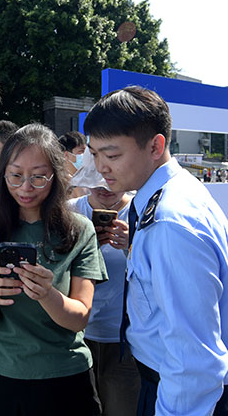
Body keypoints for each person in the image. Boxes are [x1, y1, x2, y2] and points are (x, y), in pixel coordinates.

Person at [85, 86, 228, 416]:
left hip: (188, 396)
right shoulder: (167, 195)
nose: (101, 167)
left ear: (155, 145)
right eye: (94, 154)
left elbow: (192, 360)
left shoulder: (169, 222)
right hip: (194, 385)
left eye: (112, 155)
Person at [0, 123, 107, 416]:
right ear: (3, 174)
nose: (26, 188)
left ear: (56, 177)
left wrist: (47, 295)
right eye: (16, 176)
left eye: (39, 177)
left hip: (64, 376)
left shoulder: (79, 230)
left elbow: (80, 317)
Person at [67, 151, 140, 416]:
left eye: (108, 180)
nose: (104, 188)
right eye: (95, 181)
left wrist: (133, 246)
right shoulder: (71, 211)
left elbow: (160, 273)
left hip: (125, 337)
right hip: (77, 335)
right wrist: (87, 250)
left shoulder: (140, 210)